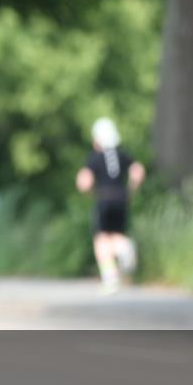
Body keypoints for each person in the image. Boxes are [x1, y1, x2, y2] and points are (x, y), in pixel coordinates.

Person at [76, 118, 146, 295]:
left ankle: (111, 276)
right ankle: (124, 246)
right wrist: (130, 191)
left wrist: (90, 192)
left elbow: (83, 181)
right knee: (116, 234)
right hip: (121, 199)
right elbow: (138, 172)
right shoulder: (123, 154)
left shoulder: (95, 157)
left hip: (104, 199)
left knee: (101, 240)